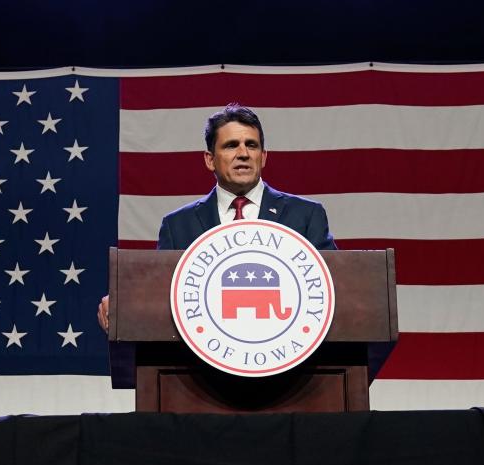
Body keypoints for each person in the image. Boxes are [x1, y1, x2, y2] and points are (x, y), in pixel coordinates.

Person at [97, 103, 336, 331]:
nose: (243, 154)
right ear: (210, 160)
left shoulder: (305, 216)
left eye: (251, 145)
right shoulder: (178, 225)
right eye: (231, 145)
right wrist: (123, 304)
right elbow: (162, 294)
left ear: (263, 157)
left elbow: (336, 286)